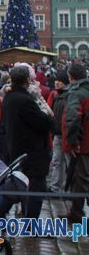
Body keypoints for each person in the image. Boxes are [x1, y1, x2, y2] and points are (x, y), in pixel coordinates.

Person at [0, 65, 54, 220]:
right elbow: (44, 122)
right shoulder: (24, 100)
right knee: (36, 189)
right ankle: (30, 223)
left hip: (17, 147)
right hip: (31, 151)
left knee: (16, 185)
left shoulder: (9, 98)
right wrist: (47, 114)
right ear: (28, 80)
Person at [63, 62, 89, 222]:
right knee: (78, 179)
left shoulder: (77, 93)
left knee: (83, 179)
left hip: (83, 143)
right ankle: (76, 212)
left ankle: (77, 213)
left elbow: (73, 118)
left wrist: (73, 142)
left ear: (70, 77)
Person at [48, 71, 70, 192]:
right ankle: (55, 186)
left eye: (59, 80)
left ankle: (72, 188)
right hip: (58, 134)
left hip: (66, 134)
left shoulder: (67, 96)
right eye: (56, 80)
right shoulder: (56, 96)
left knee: (69, 163)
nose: (56, 82)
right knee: (57, 161)